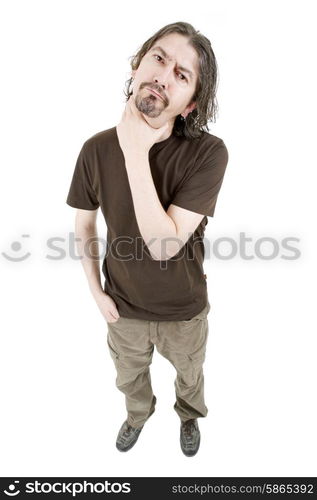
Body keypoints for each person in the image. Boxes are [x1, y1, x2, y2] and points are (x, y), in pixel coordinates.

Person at [66, 21, 229, 457]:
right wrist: (96, 292)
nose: (164, 74)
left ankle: (189, 416)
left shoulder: (208, 154)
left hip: (184, 310)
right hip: (123, 309)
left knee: (190, 375)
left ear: (190, 103)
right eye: (159, 58)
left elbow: (164, 244)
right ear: (138, 64)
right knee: (129, 378)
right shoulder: (95, 150)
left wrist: (136, 150)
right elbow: (84, 227)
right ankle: (138, 415)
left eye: (182, 74)